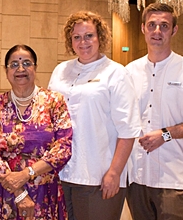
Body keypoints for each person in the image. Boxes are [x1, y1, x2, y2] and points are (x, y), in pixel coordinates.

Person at [48, 11, 141, 220]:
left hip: (99, 176)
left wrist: (115, 172)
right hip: (62, 173)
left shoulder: (116, 73)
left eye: (89, 35)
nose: (83, 42)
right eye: (77, 37)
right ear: (70, 41)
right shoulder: (61, 71)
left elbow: (128, 129)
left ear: (100, 37)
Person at [125, 2, 183, 220]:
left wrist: (166, 134)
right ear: (143, 29)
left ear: (174, 30)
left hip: (172, 179)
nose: (157, 31)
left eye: (164, 26)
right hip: (135, 176)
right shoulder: (128, 72)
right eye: (152, 25)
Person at [0, 44, 73, 220]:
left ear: (35, 68)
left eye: (26, 63)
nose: (21, 69)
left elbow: (63, 147)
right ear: (6, 70)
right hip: (5, 193)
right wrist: (19, 191)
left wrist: (27, 174)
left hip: (44, 193)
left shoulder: (54, 101)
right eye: (14, 64)